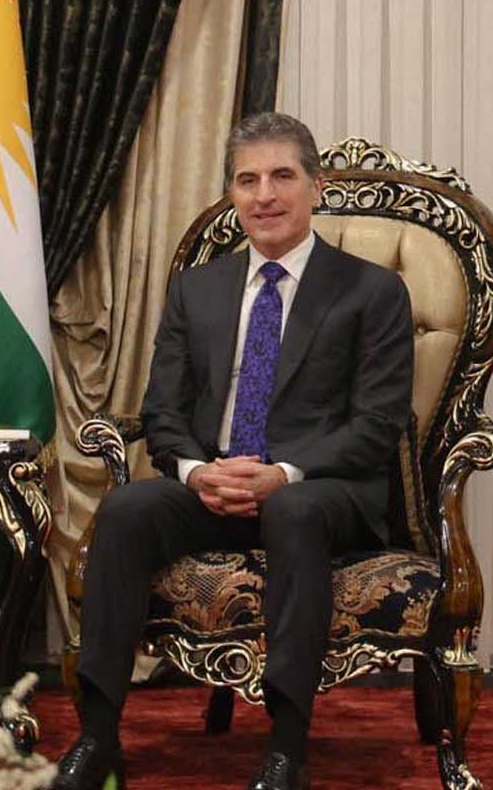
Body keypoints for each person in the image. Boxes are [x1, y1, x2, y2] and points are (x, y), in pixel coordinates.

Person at [51, 113, 414, 790]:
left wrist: (283, 473)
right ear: (232, 194)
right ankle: (97, 736)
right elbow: (162, 411)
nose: (264, 195)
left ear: (316, 187)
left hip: (319, 489)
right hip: (215, 483)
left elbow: (378, 424)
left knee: (294, 511)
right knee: (126, 510)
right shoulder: (198, 288)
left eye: (282, 176)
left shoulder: (371, 290)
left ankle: (286, 750)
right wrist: (197, 472)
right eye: (248, 180)